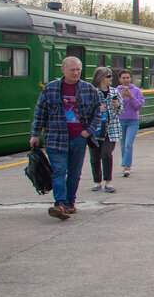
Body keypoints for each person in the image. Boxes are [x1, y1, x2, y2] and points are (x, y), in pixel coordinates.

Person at [30, 56, 101, 220]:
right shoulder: (51, 89)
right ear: (63, 70)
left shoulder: (88, 89)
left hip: (79, 138)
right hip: (55, 137)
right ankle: (60, 203)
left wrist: (87, 131)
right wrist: (35, 134)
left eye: (78, 70)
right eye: (72, 70)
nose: (76, 73)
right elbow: (40, 112)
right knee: (59, 171)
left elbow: (98, 113)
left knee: (75, 172)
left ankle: (70, 202)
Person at [87, 66, 122, 193]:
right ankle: (97, 182)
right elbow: (85, 110)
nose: (111, 79)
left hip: (110, 129)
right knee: (95, 156)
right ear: (100, 78)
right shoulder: (92, 92)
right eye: (108, 76)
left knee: (106, 154)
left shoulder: (114, 92)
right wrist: (97, 110)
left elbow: (121, 110)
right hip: (95, 129)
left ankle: (108, 181)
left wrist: (117, 105)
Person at [116, 68, 144, 178]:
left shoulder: (136, 90)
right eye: (123, 78)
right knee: (123, 145)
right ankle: (125, 166)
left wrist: (131, 97)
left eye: (127, 77)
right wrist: (121, 97)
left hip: (133, 121)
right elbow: (114, 106)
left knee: (128, 144)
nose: (126, 80)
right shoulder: (116, 91)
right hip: (120, 120)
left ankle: (127, 166)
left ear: (130, 78)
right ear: (119, 79)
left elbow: (139, 106)